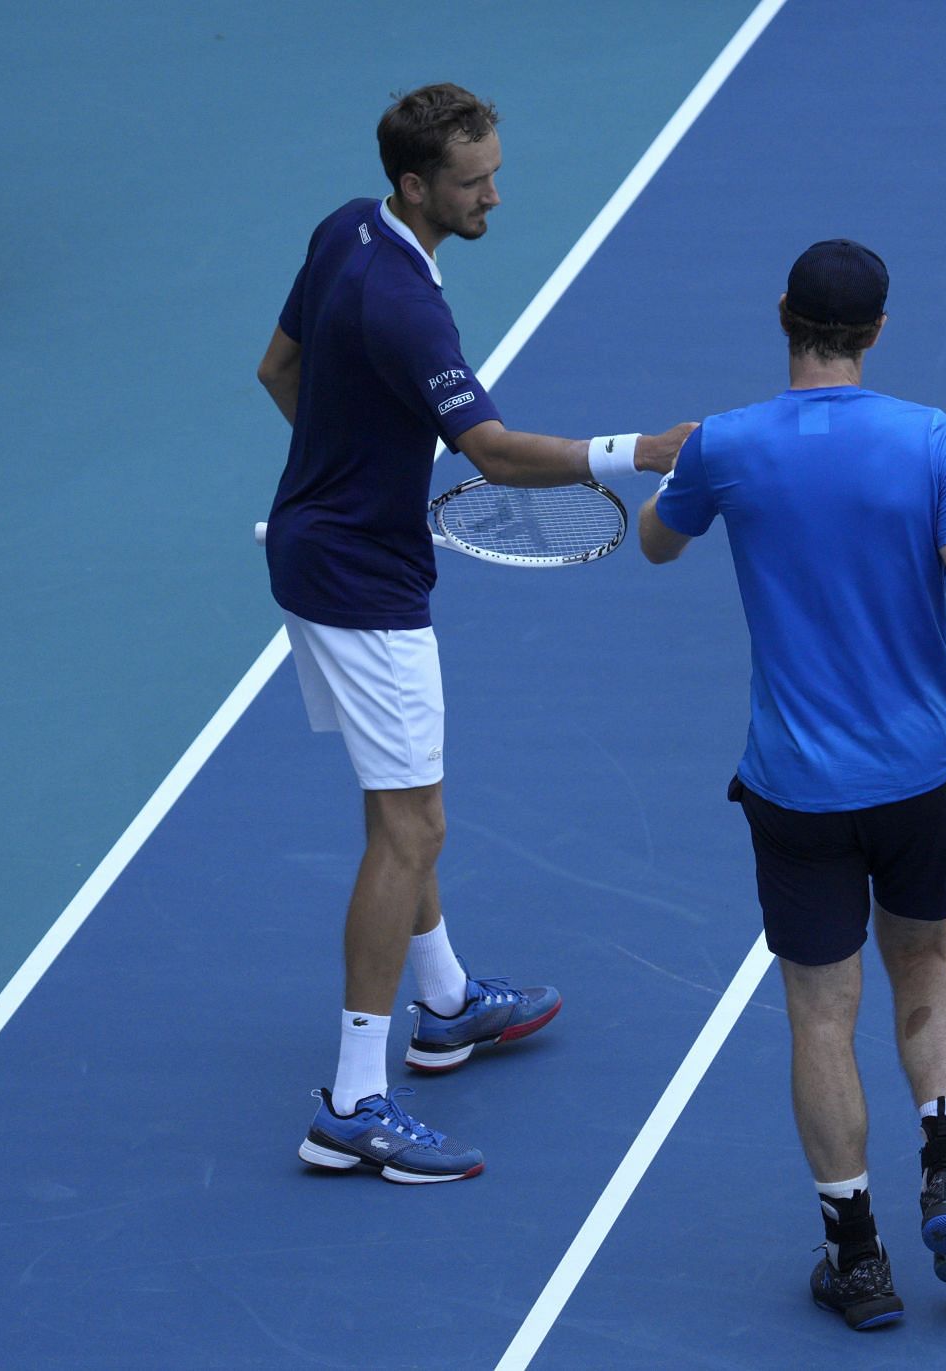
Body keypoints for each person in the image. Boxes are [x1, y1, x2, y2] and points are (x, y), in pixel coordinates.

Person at [255, 83, 694, 1183]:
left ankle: (445, 1002)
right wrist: (636, 451)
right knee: (410, 831)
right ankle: (355, 1101)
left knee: (404, 806)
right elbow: (491, 452)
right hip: (365, 586)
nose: (495, 191)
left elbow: (281, 374)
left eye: (494, 167)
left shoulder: (344, 228)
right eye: (473, 180)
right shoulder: (408, 306)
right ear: (417, 185)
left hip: (316, 548)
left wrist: (350, 475)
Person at [637, 240, 946, 1327]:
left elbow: (654, 546)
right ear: (876, 331)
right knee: (926, 967)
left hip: (797, 791)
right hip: (921, 777)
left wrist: (673, 470)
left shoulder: (725, 447)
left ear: (783, 315)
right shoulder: (932, 441)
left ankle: (856, 1256)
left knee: (822, 1013)